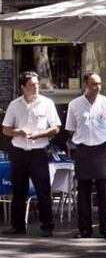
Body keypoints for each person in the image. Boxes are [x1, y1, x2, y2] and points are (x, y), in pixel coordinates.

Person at [1, 71, 61, 237]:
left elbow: (56, 127)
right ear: (23, 87)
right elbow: (5, 129)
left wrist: (41, 134)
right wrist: (17, 131)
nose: (35, 88)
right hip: (19, 151)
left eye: (36, 84)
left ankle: (47, 225)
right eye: (31, 85)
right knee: (19, 190)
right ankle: (18, 226)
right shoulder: (14, 105)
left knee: (43, 190)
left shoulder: (47, 103)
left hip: (38, 152)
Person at [66, 72, 106, 240]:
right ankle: (85, 229)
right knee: (83, 192)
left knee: (105, 192)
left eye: (99, 84)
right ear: (85, 85)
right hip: (82, 151)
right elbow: (70, 128)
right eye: (93, 84)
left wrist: (98, 137)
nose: (97, 87)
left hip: (102, 151)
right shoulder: (74, 104)